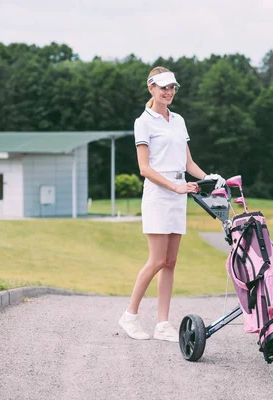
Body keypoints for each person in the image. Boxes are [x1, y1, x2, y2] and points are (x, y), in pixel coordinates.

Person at [118, 66, 225, 342]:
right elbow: (144, 168)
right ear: (151, 87)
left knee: (170, 262)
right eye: (163, 87)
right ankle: (129, 316)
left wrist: (210, 178)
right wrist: (176, 187)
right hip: (158, 195)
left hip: (179, 194)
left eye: (172, 87)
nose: (168, 92)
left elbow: (188, 163)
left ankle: (162, 324)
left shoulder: (178, 120)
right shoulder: (143, 121)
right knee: (156, 260)